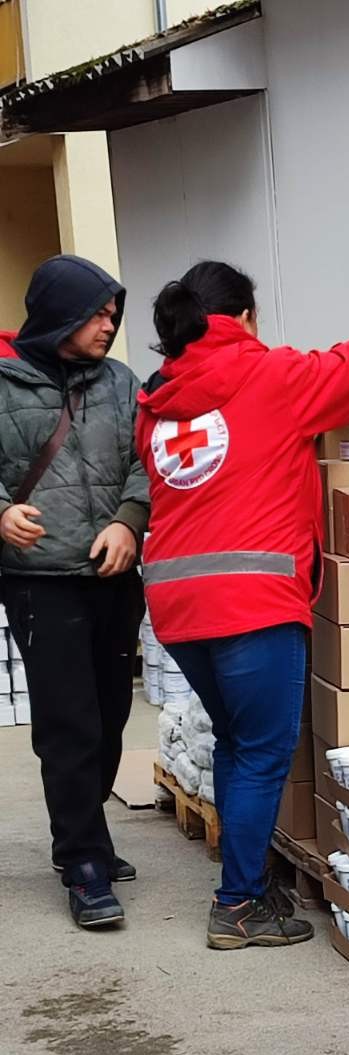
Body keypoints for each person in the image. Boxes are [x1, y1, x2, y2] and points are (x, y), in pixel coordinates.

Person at [136, 261, 349, 950]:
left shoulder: (157, 399)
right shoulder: (272, 375)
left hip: (176, 605)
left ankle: (246, 881)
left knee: (237, 743)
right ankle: (238, 904)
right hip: (252, 601)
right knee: (262, 751)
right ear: (244, 316)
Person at [0, 255, 150, 929]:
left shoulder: (121, 382)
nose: (108, 325)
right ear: (60, 314)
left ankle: (87, 833)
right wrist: (1, 513)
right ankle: (83, 861)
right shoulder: (3, 384)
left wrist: (129, 521)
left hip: (113, 578)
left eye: (113, 313)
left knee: (112, 713)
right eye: (97, 314)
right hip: (40, 583)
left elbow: (147, 461)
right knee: (70, 725)